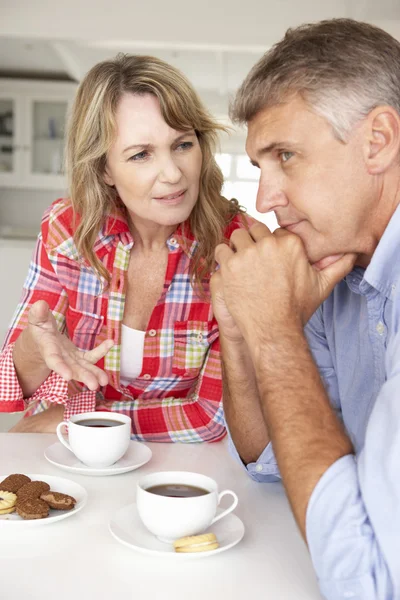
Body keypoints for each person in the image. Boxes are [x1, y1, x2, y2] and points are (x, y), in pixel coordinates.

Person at [212, 18, 400, 599]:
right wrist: (244, 329)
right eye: (260, 166)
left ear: (378, 141)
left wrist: (273, 330)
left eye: (286, 155)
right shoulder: (338, 270)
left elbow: (367, 582)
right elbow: (272, 461)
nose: (265, 199)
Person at [0, 53, 252, 442]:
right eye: (140, 154)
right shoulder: (67, 228)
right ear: (104, 169)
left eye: (183, 144)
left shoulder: (235, 248)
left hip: (175, 470)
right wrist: (36, 346)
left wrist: (77, 419)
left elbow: (211, 418)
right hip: (69, 459)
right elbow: (14, 385)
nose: (173, 174)